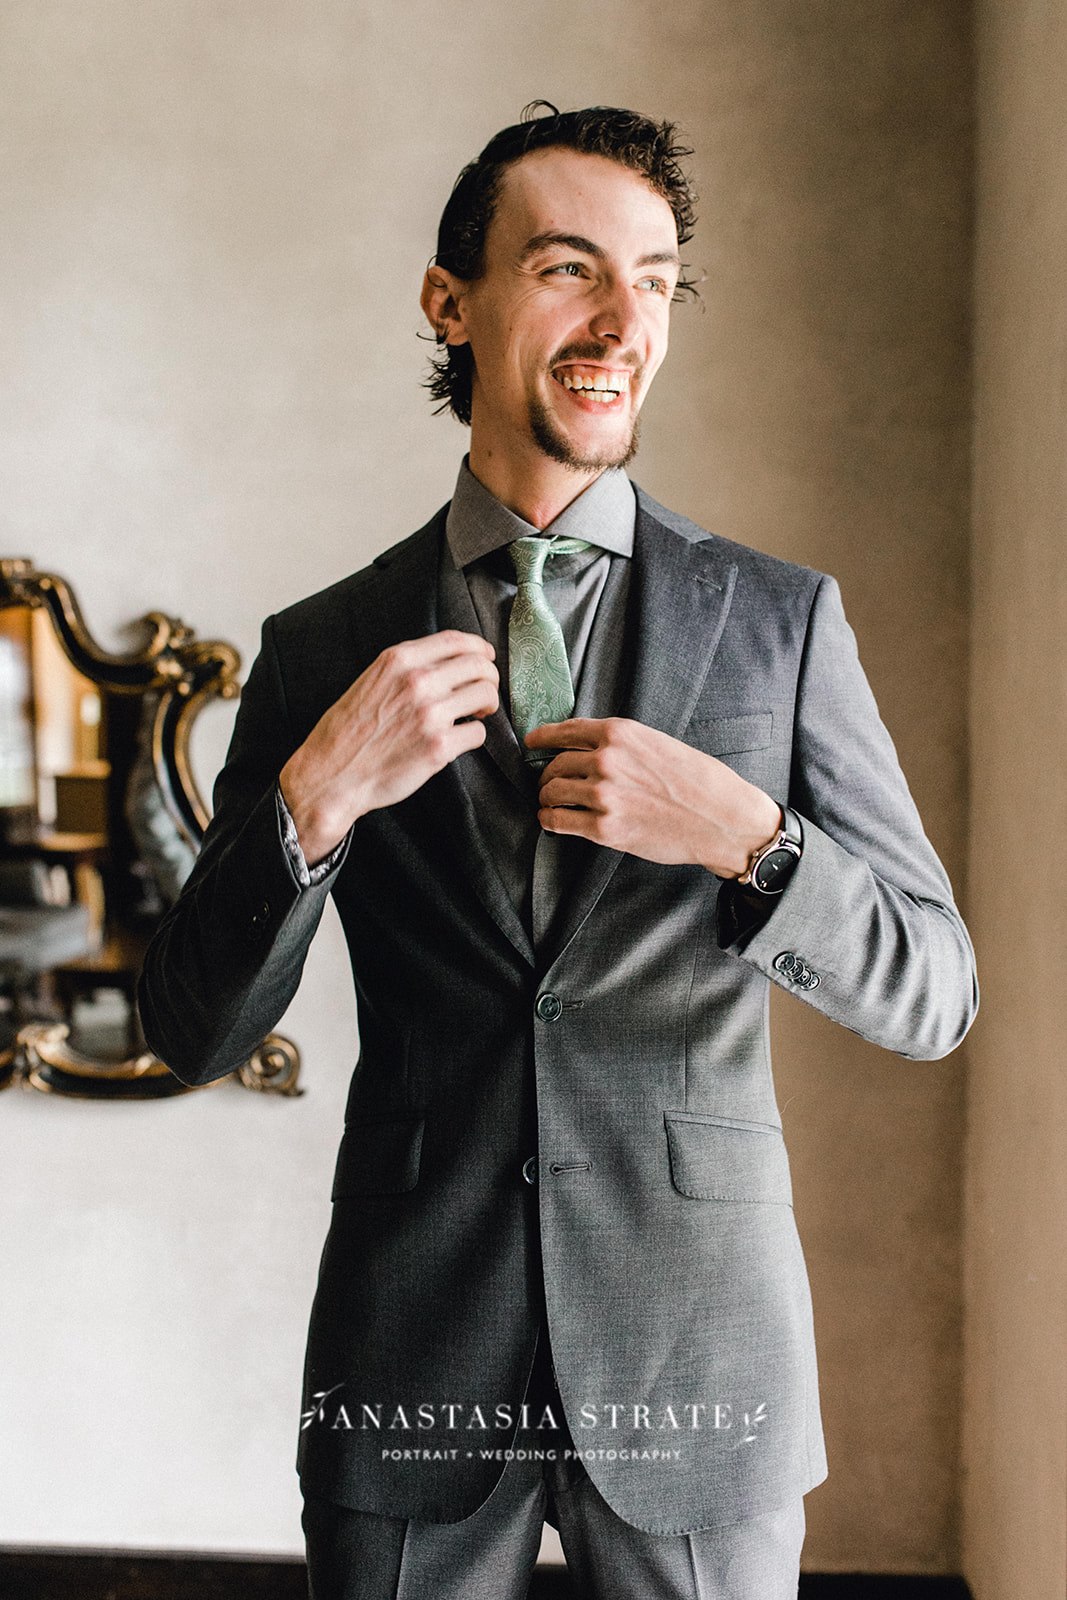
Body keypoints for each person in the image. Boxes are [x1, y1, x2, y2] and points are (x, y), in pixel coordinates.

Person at [137, 103, 978, 1600]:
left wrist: (751, 842)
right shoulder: (324, 647)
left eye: (655, 279)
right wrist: (311, 802)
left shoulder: (780, 626)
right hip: (410, 1366)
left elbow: (932, 993)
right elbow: (191, 1026)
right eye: (572, 267)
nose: (620, 319)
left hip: (699, 1362)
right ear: (450, 302)